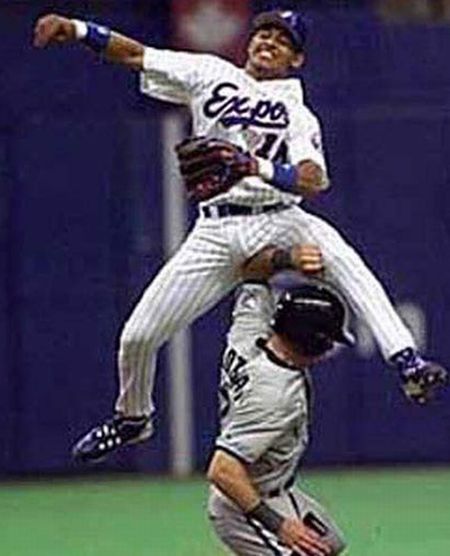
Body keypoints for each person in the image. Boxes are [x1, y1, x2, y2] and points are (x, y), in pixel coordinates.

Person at [32, 9, 446, 462]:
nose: (269, 41)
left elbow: (314, 180)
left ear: (297, 59)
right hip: (215, 230)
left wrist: (254, 167)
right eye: (263, 33)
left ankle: (407, 361)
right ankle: (133, 417)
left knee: (343, 259)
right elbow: (137, 55)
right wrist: (76, 29)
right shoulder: (210, 73)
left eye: (283, 40)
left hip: (280, 217)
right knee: (137, 336)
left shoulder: (296, 111)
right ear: (249, 43)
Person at [207, 280, 351, 556]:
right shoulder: (274, 397)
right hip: (244, 502)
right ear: (313, 341)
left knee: (329, 545)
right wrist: (280, 525)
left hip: (278, 490)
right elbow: (222, 470)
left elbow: (253, 275)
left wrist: (288, 260)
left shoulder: (249, 333)